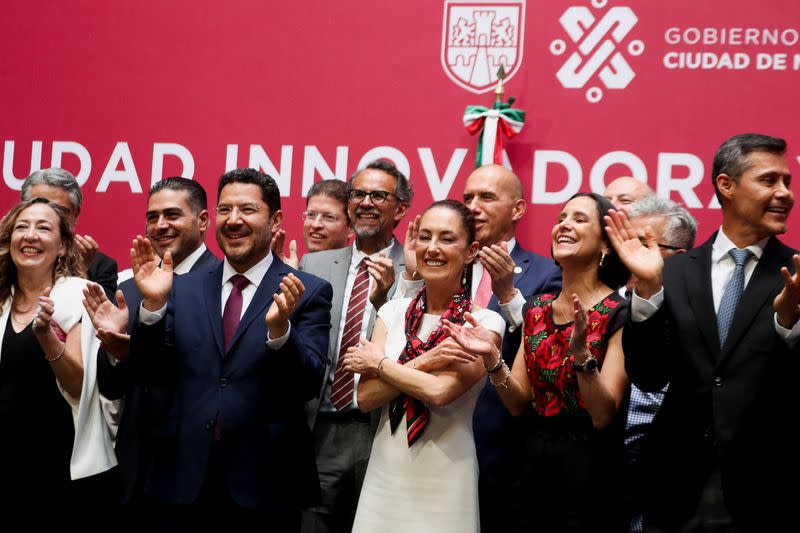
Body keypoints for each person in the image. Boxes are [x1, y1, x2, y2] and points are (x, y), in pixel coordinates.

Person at [606, 133, 799, 531]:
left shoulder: (797, 275)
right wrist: (645, 293)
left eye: (787, 182)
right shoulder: (675, 271)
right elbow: (648, 374)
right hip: (675, 484)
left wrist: (789, 325)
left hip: (765, 490)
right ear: (726, 185)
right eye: (769, 180)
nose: (784, 194)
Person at [126, 168, 333, 529]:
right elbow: (148, 374)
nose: (233, 220)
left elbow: (308, 384)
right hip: (182, 481)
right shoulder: (180, 287)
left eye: (248, 210)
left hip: (266, 487)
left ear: (276, 219)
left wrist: (281, 333)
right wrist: (153, 310)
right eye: (225, 210)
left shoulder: (307, 290)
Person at [446, 192, 631, 532]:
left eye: (579, 219)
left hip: (589, 472)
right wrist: (491, 359)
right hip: (527, 466)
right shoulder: (536, 307)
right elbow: (518, 403)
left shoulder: (620, 312)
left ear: (605, 244)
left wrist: (581, 359)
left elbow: (603, 414)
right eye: (562, 217)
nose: (565, 225)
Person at [398, 164, 561, 531]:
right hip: (427, 434)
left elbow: (547, 351)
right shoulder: (441, 262)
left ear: (517, 209)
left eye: (486, 197)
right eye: (468, 196)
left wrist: (508, 296)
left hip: (502, 443)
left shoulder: (546, 273)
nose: (473, 206)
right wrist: (410, 280)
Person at [340, 199, 505, 533]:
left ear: (471, 251)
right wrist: (428, 359)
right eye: (425, 237)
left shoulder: (485, 322)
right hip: (386, 466)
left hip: (448, 470)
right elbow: (366, 398)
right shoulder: (392, 312)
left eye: (446, 239)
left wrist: (380, 363)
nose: (432, 248)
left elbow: (440, 392)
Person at [91, 177, 220, 517]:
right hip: (136, 467)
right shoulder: (128, 288)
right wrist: (115, 353)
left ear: (203, 220)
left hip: (200, 472)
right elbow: (113, 387)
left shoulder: (226, 285)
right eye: (152, 217)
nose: (161, 225)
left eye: (173, 215)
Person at [300, 160, 411, 533]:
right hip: (320, 426)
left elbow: (417, 347)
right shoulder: (313, 264)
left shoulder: (418, 269)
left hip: (380, 426)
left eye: (378, 195)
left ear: (401, 208)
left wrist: (384, 304)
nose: (365, 202)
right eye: (358, 194)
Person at [0, 198, 117, 520]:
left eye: (43, 228)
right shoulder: (1, 299)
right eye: (21, 227)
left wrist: (45, 334)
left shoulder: (79, 294)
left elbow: (79, 386)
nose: (30, 235)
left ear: (64, 246)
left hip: (59, 461)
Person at [620, 196, 697, 533]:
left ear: (676, 258)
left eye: (641, 245)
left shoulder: (697, 315)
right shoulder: (606, 306)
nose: (628, 256)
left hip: (669, 486)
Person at [21, 168, 118, 300]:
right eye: (40, 207)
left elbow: (104, 318)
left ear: (75, 217)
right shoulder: (7, 255)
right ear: (22, 210)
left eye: (59, 211)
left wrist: (80, 273)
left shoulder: (100, 266)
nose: (48, 216)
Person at [272, 179, 353, 268]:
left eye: (329, 217)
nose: (315, 224)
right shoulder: (290, 270)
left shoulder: (357, 277)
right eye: (311, 215)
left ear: (351, 227)